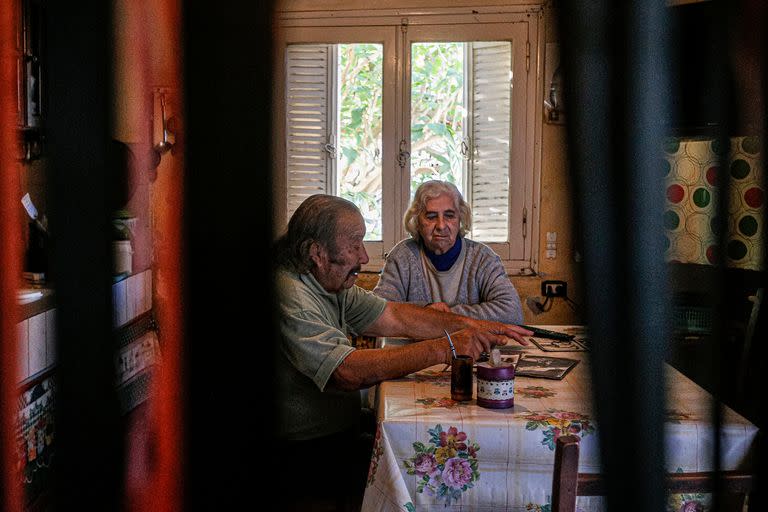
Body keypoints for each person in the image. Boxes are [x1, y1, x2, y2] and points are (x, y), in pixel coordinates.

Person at [274, 194, 530, 509]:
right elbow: (347, 371)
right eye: (355, 245)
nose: (364, 257)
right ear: (317, 253)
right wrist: (446, 347)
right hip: (307, 454)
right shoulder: (291, 294)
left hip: (340, 432)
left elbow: (395, 316)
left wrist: (477, 327)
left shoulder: (325, 280)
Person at [374, 180, 524, 324]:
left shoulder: (483, 258)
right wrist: (426, 311)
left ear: (460, 219)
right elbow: (378, 312)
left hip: (471, 348)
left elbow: (512, 312)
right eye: (431, 216)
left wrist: (445, 316)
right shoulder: (402, 256)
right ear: (417, 221)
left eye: (449, 215)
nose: (441, 225)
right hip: (416, 348)